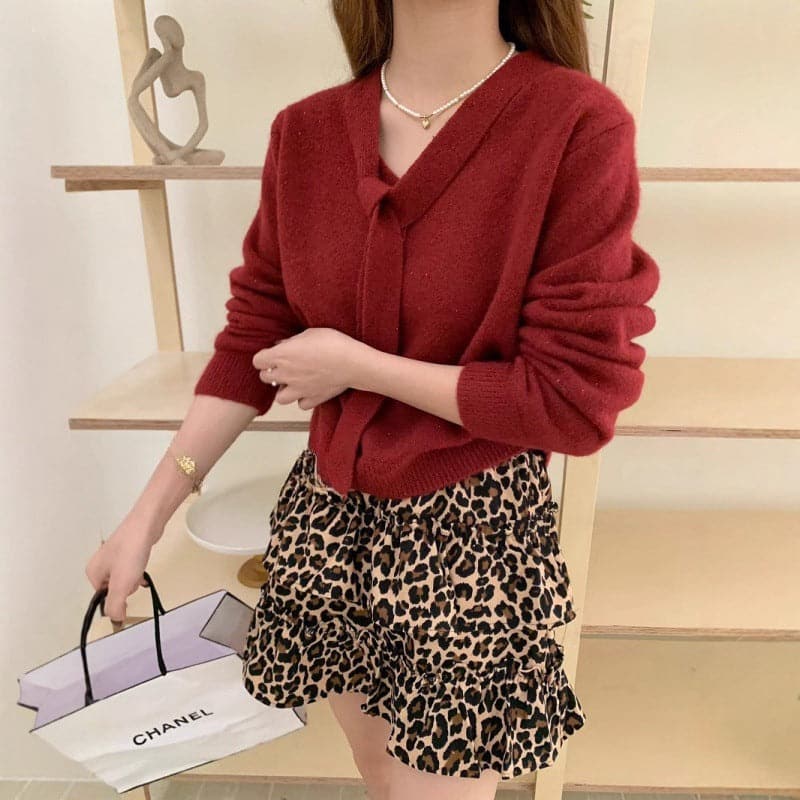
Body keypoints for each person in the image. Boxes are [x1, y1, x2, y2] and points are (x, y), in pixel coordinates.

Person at [85, 1, 660, 797]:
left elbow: (571, 398)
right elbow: (254, 335)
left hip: (469, 541)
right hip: (326, 525)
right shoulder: (306, 133)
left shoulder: (575, 125)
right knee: (381, 776)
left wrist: (359, 367)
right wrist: (145, 520)